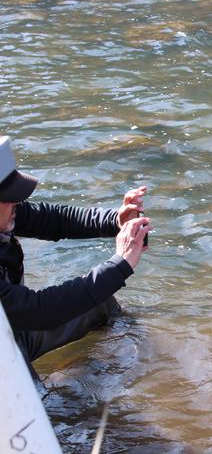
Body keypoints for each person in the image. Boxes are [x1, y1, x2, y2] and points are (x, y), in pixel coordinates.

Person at [0, 135, 153, 381]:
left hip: (11, 329)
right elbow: (38, 310)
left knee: (100, 304)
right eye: (9, 197)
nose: (19, 202)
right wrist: (120, 264)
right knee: (41, 402)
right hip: (7, 350)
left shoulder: (8, 214)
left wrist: (115, 220)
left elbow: (53, 220)